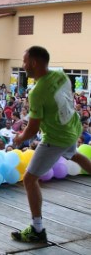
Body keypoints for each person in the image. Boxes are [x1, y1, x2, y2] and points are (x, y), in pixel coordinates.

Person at [12, 46, 91, 243]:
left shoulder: (37, 92)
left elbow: (32, 129)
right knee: (74, 154)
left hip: (56, 137)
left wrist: (20, 138)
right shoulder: (61, 75)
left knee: (30, 179)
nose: (23, 66)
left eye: (24, 62)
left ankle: (37, 230)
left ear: (34, 63)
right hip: (72, 127)